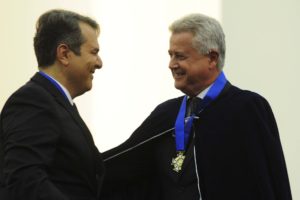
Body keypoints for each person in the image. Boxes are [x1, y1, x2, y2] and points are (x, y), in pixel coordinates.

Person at [101, 13, 292, 200]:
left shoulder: (246, 108)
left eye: (180, 56)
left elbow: (268, 181)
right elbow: (121, 166)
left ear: (212, 58)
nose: (171, 64)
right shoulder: (166, 113)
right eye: (170, 55)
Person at [0, 9, 104, 200]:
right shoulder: (33, 101)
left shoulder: (56, 102)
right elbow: (24, 181)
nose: (100, 63)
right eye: (94, 52)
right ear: (64, 54)